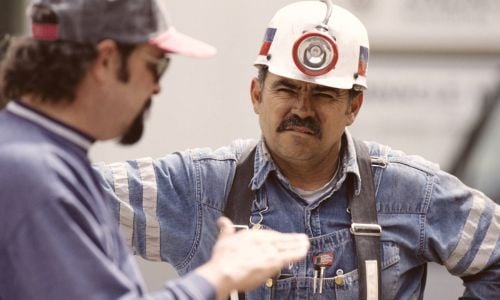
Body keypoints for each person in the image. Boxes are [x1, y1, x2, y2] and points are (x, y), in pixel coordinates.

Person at [93, 1, 500, 299]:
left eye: (323, 94)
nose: (302, 109)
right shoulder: (198, 187)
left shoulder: (411, 191)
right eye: (286, 88)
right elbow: (64, 197)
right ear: (257, 94)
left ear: (352, 107)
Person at [0, 0, 311, 299]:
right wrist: (219, 275)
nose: (156, 87)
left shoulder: (35, 152)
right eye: (155, 64)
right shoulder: (34, 173)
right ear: (106, 59)